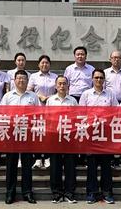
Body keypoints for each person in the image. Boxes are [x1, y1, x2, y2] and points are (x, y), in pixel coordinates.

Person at [0, 70, 40, 205]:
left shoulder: (33, 97)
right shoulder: (7, 96)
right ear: (14, 81)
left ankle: (27, 192)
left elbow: (38, 115)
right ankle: (10, 192)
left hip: (27, 134)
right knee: (11, 165)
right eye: (18, 78)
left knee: (27, 165)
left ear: (27, 81)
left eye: (24, 78)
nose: (21, 81)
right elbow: (1, 114)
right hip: (11, 134)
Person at [80, 68, 118, 204]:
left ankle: (107, 193)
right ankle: (91, 192)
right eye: (96, 78)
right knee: (91, 166)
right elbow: (81, 115)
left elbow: (116, 112)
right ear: (92, 79)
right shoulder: (86, 94)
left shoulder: (110, 94)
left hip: (105, 135)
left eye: (101, 78)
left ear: (104, 80)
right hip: (91, 134)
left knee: (106, 166)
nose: (98, 80)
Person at [46, 75, 78, 203]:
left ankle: (70, 193)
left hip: (69, 137)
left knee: (70, 166)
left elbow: (77, 118)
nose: (62, 86)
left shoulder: (73, 101)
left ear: (68, 86)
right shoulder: (50, 100)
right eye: (59, 83)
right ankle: (57, 193)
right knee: (55, 167)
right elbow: (47, 118)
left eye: (64, 83)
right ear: (55, 86)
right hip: (55, 137)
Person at [27, 55, 57, 169]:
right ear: (38, 64)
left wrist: (49, 97)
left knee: (49, 134)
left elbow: (60, 90)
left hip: (51, 109)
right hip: (37, 108)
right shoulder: (34, 76)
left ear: (50, 64)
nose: (45, 65)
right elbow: (29, 90)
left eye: (47, 63)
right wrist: (39, 96)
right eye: (42, 63)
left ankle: (48, 157)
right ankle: (38, 158)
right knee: (38, 133)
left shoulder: (55, 76)